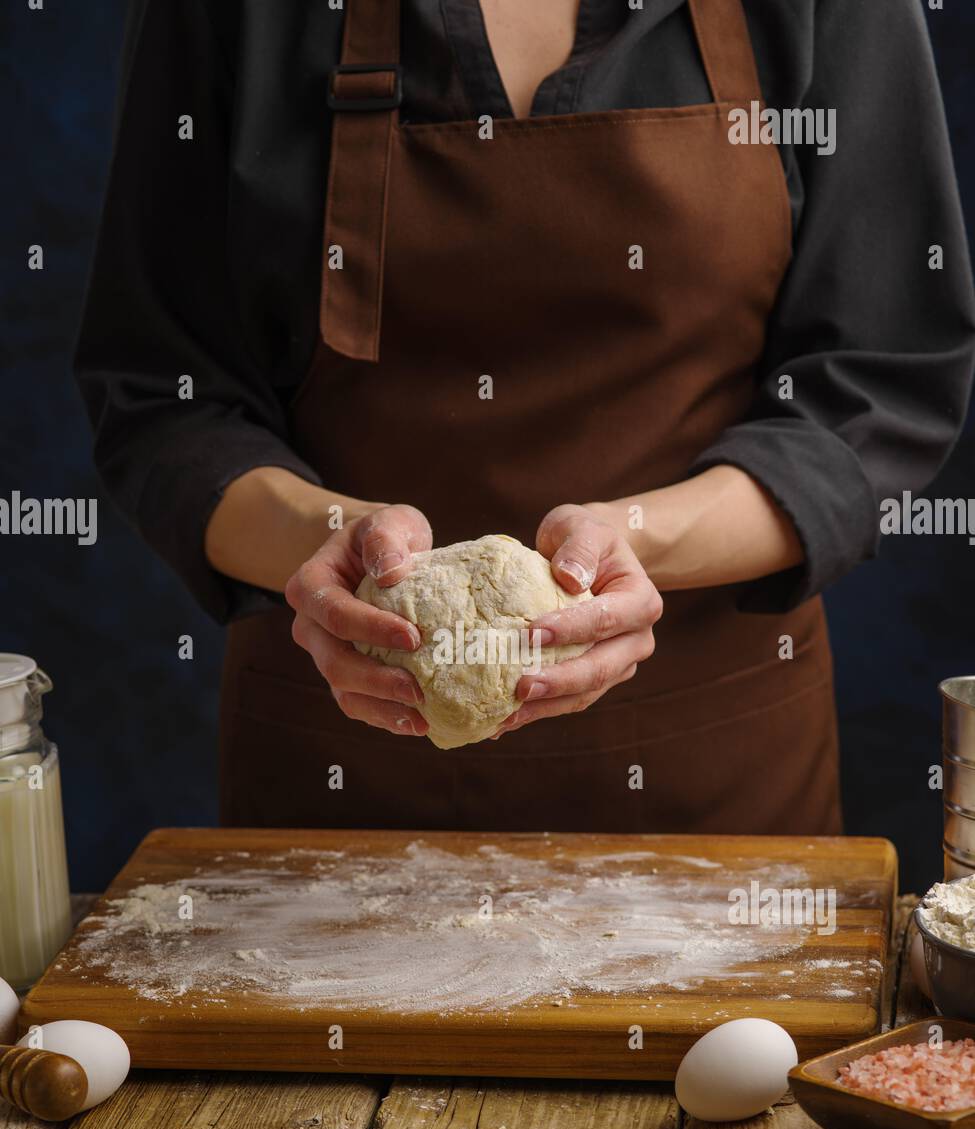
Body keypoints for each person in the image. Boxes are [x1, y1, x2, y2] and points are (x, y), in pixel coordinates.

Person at [76, 0, 975, 835]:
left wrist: (628, 546)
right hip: (340, 793)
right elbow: (165, 389)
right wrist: (333, 547)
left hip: (715, 794)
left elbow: (878, 376)